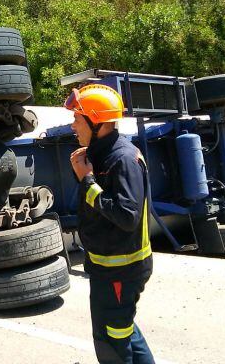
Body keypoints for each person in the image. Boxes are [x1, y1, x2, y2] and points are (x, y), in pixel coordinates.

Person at [64, 84, 155, 364]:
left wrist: (88, 182)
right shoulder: (100, 153)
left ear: (97, 122)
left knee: (111, 342)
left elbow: (127, 215)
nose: (73, 126)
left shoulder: (122, 158)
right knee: (123, 331)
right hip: (107, 267)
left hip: (121, 271)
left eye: (78, 119)